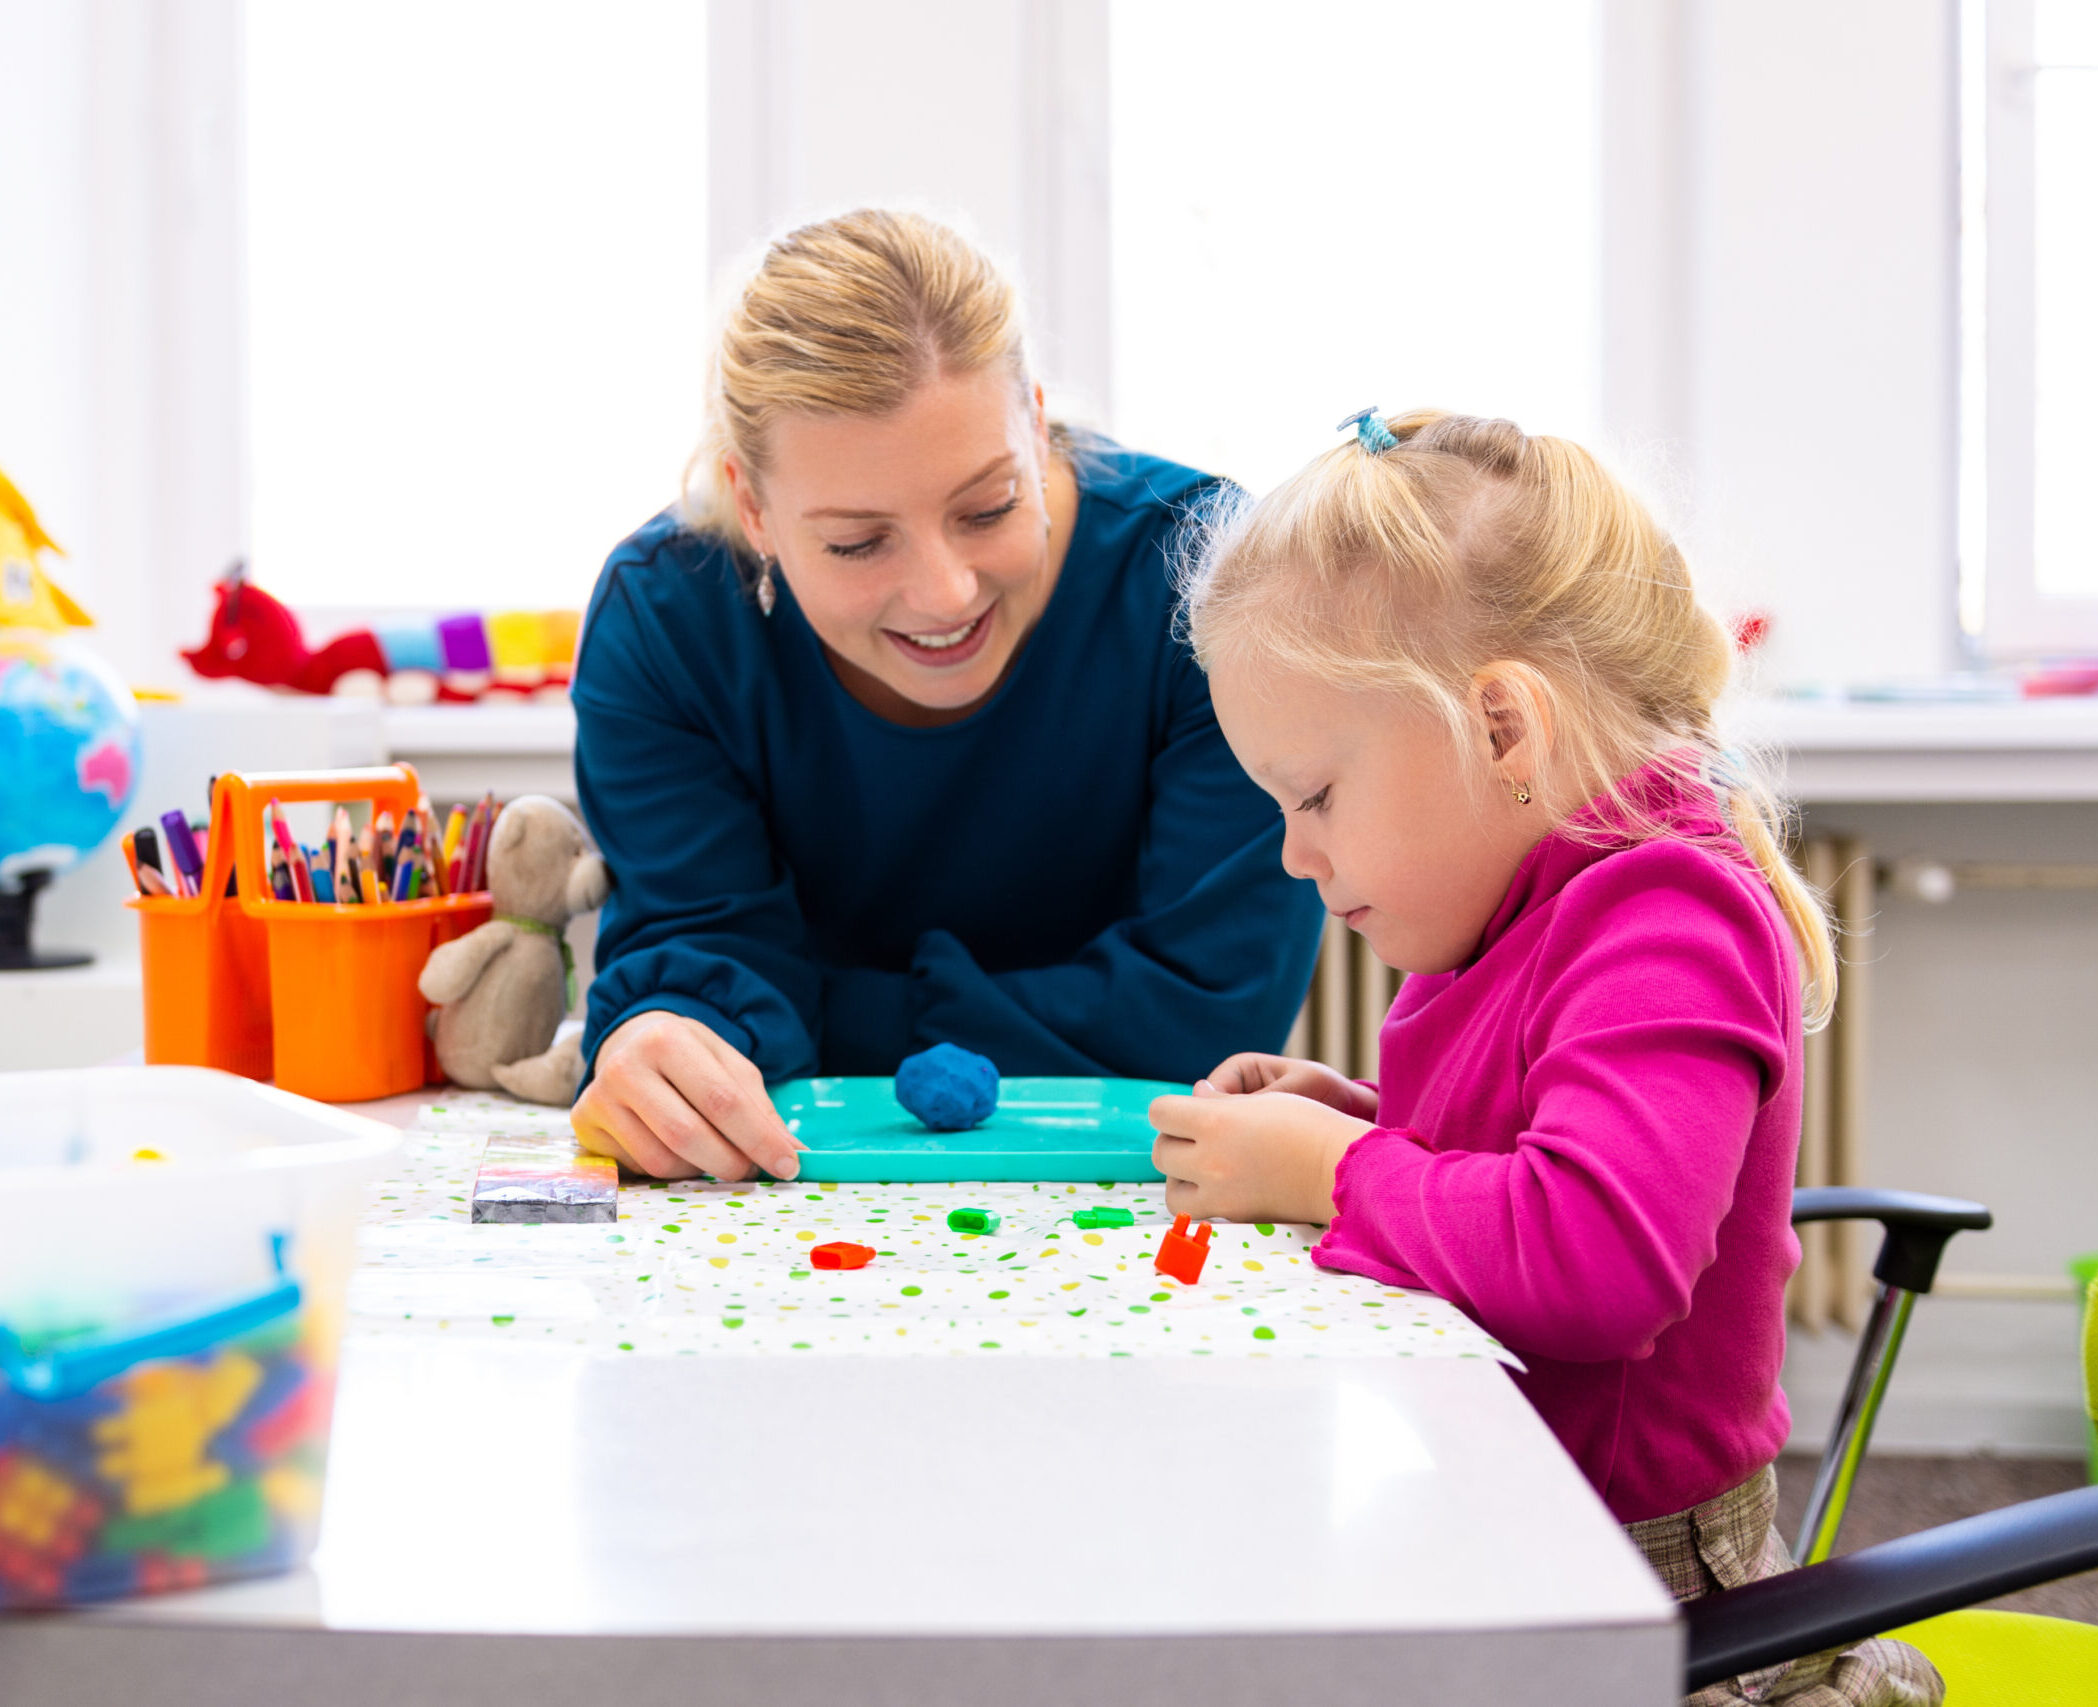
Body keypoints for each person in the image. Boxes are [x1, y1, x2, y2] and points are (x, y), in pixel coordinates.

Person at [1148, 409, 1941, 1706]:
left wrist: (1337, 1171)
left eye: (1314, 795)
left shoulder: (1668, 915)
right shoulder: (1523, 899)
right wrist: (1340, 1113)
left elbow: (1591, 1255)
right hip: (1510, 1532)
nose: (1293, 855)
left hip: (1652, 1609)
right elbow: (1522, 1141)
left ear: (1501, 728)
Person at [569, 209, 1321, 1184]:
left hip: (1143, 1192)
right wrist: (665, 1042)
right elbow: (698, 967)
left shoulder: (1212, 581)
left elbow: (1205, 1018)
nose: (945, 593)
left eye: (989, 506)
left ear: (1037, 424)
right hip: (794, 1202)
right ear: (751, 507)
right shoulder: (666, 622)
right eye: (856, 542)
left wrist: (808, 1013)